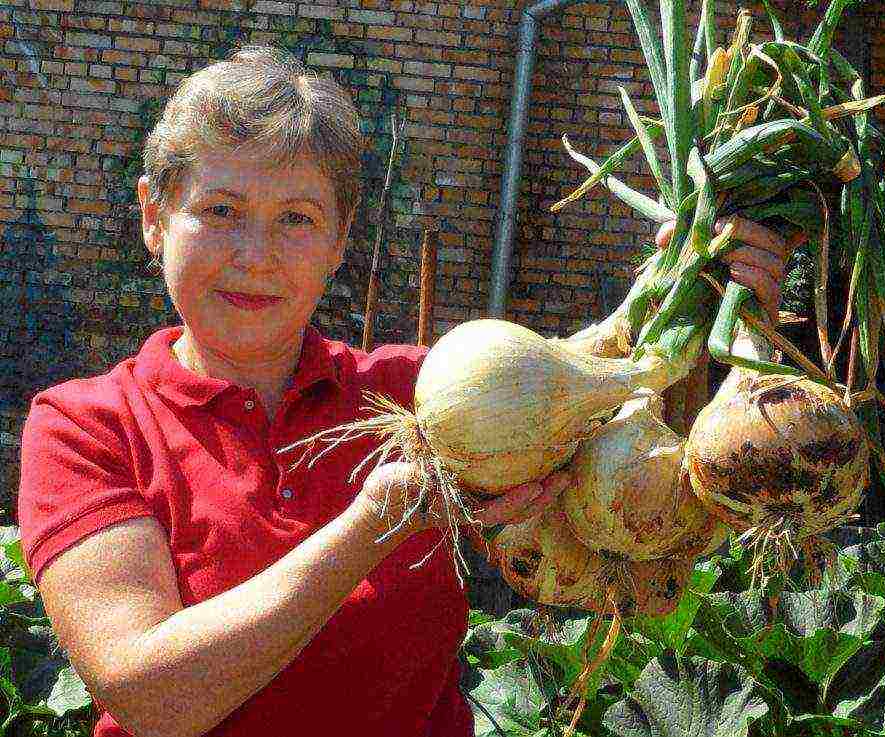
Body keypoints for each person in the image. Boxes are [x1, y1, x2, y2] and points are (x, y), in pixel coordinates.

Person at [16, 46, 797, 737]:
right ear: (155, 217)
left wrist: (707, 308)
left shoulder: (417, 390)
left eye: (296, 218)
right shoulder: (86, 427)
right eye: (220, 211)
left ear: (338, 241)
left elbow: (643, 566)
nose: (256, 255)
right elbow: (154, 700)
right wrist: (373, 525)